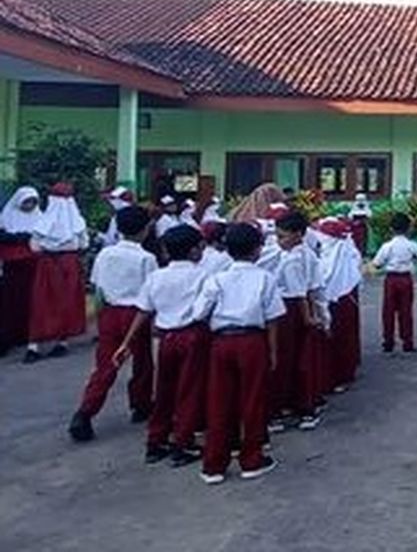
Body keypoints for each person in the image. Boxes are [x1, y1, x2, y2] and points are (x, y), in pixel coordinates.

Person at [191, 222, 285, 485]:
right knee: (253, 401)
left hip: (222, 341)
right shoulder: (265, 278)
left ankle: (214, 464)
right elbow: (273, 319)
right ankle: (251, 459)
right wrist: (273, 351)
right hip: (253, 341)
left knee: (219, 402)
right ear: (258, 250)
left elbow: (199, 313)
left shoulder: (216, 279)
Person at [114, 224, 210, 467]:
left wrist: (126, 342)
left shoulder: (157, 277)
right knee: (189, 391)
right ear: (194, 250)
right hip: (193, 335)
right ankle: (182, 443)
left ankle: (155, 441)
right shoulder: (203, 276)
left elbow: (143, 311)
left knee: (164, 390)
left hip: (166, 337)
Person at [67, 205, 158, 442]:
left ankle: (85, 411)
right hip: (136, 313)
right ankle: (140, 404)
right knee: (143, 362)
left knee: (106, 365)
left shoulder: (105, 254)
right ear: (145, 229)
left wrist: (99, 318)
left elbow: (97, 290)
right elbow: (151, 292)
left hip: (110, 311)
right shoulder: (146, 258)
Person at [272, 211, 323, 431]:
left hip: (293, 310)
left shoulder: (294, 258)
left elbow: (300, 292)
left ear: (299, 234)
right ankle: (299, 405)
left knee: (290, 360)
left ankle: (299, 408)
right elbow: (312, 289)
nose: (278, 241)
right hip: (298, 307)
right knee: (300, 360)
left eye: (282, 236)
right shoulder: (305, 254)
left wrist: (308, 318)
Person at [27, 182, 89, 362]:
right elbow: (84, 244)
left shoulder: (44, 220)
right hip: (68, 264)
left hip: (48, 263)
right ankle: (61, 341)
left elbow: (34, 246)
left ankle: (35, 344)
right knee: (64, 302)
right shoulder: (77, 222)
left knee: (42, 302)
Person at [316, 217, 362, 392]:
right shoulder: (342, 251)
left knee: (337, 340)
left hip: (337, 300)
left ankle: (338, 376)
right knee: (341, 339)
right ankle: (339, 375)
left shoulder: (334, 255)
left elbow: (325, 277)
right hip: (344, 298)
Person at [370, 213, 417, 354]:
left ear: (391, 229)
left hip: (391, 279)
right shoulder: (412, 244)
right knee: (406, 311)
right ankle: (407, 343)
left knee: (388, 311)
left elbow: (376, 264)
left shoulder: (387, 246)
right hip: (406, 279)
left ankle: (388, 343)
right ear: (408, 228)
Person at [0, 186, 41, 356]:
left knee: (29, 301)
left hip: (32, 267)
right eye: (26, 202)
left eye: (32, 202)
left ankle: (27, 335)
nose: (29, 205)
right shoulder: (6, 217)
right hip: (11, 266)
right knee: (9, 302)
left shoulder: (40, 217)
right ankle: (8, 336)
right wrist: (20, 238)